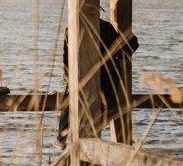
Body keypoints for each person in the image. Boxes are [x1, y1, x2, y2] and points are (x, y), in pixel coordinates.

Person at [54, 19, 139, 150]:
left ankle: (61, 138)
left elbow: (67, 61)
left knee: (71, 102)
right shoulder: (106, 28)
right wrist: (130, 40)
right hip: (108, 79)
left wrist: (67, 85)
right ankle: (91, 130)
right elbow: (124, 51)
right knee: (109, 106)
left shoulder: (71, 28)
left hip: (82, 79)